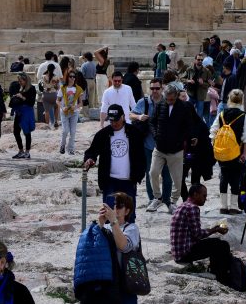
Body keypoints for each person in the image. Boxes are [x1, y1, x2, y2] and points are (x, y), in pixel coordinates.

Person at [83, 105, 146, 222]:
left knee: (129, 216)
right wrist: (89, 159)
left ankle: (128, 239)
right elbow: (91, 152)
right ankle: (110, 239)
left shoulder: (134, 133)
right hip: (110, 181)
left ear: (123, 117)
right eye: (111, 120)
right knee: (109, 215)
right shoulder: (103, 134)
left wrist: (139, 174)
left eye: (116, 120)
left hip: (129, 180)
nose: (114, 123)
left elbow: (141, 155)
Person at [145, 85, 197, 213]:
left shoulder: (184, 107)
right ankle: (157, 198)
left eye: (172, 99)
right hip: (160, 148)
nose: (169, 102)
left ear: (176, 97)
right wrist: (156, 134)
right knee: (153, 172)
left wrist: (183, 139)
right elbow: (152, 121)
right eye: (167, 99)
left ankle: (173, 202)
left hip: (176, 149)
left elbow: (189, 126)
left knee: (177, 179)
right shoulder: (160, 105)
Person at [170, 183, 232, 285]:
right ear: (195, 194)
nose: (205, 199)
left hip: (178, 251)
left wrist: (212, 229)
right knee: (222, 245)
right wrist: (215, 229)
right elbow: (198, 234)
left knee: (215, 243)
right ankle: (222, 277)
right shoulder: (193, 208)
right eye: (204, 196)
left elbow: (194, 232)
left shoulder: (183, 205)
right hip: (185, 253)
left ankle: (216, 271)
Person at [210, 88, 246, 215]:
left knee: (224, 176)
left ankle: (223, 206)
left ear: (229, 99)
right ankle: (233, 206)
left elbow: (213, 132)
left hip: (222, 151)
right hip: (237, 152)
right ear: (241, 101)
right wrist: (244, 154)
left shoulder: (222, 114)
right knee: (235, 177)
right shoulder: (244, 117)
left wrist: (215, 147)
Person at [132, 79, 173, 207]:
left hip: (166, 145)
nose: (154, 91)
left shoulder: (168, 102)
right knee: (150, 173)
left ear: (162, 89)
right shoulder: (144, 102)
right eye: (152, 89)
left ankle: (166, 199)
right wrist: (139, 117)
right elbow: (131, 114)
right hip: (148, 144)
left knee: (167, 174)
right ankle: (152, 199)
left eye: (157, 88)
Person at [99, 193, 142, 304]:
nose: (115, 208)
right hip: (107, 281)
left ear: (127, 211)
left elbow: (123, 247)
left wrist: (113, 221)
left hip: (126, 283)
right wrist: (100, 223)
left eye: (119, 206)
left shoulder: (132, 228)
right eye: (114, 205)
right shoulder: (105, 227)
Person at [8, 73, 37, 159]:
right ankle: (21, 151)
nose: (19, 82)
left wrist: (22, 97)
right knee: (16, 131)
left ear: (26, 80)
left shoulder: (31, 88)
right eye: (19, 80)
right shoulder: (21, 88)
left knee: (27, 132)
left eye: (21, 80)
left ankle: (27, 152)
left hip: (27, 112)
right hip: (19, 112)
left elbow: (31, 102)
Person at [57, 72, 84, 155]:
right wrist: (62, 107)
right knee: (65, 130)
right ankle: (62, 145)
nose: (72, 78)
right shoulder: (63, 88)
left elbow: (80, 103)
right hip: (64, 112)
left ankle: (71, 149)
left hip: (74, 112)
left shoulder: (78, 89)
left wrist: (75, 107)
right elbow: (57, 100)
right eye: (71, 76)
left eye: (74, 76)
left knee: (73, 131)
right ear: (67, 78)